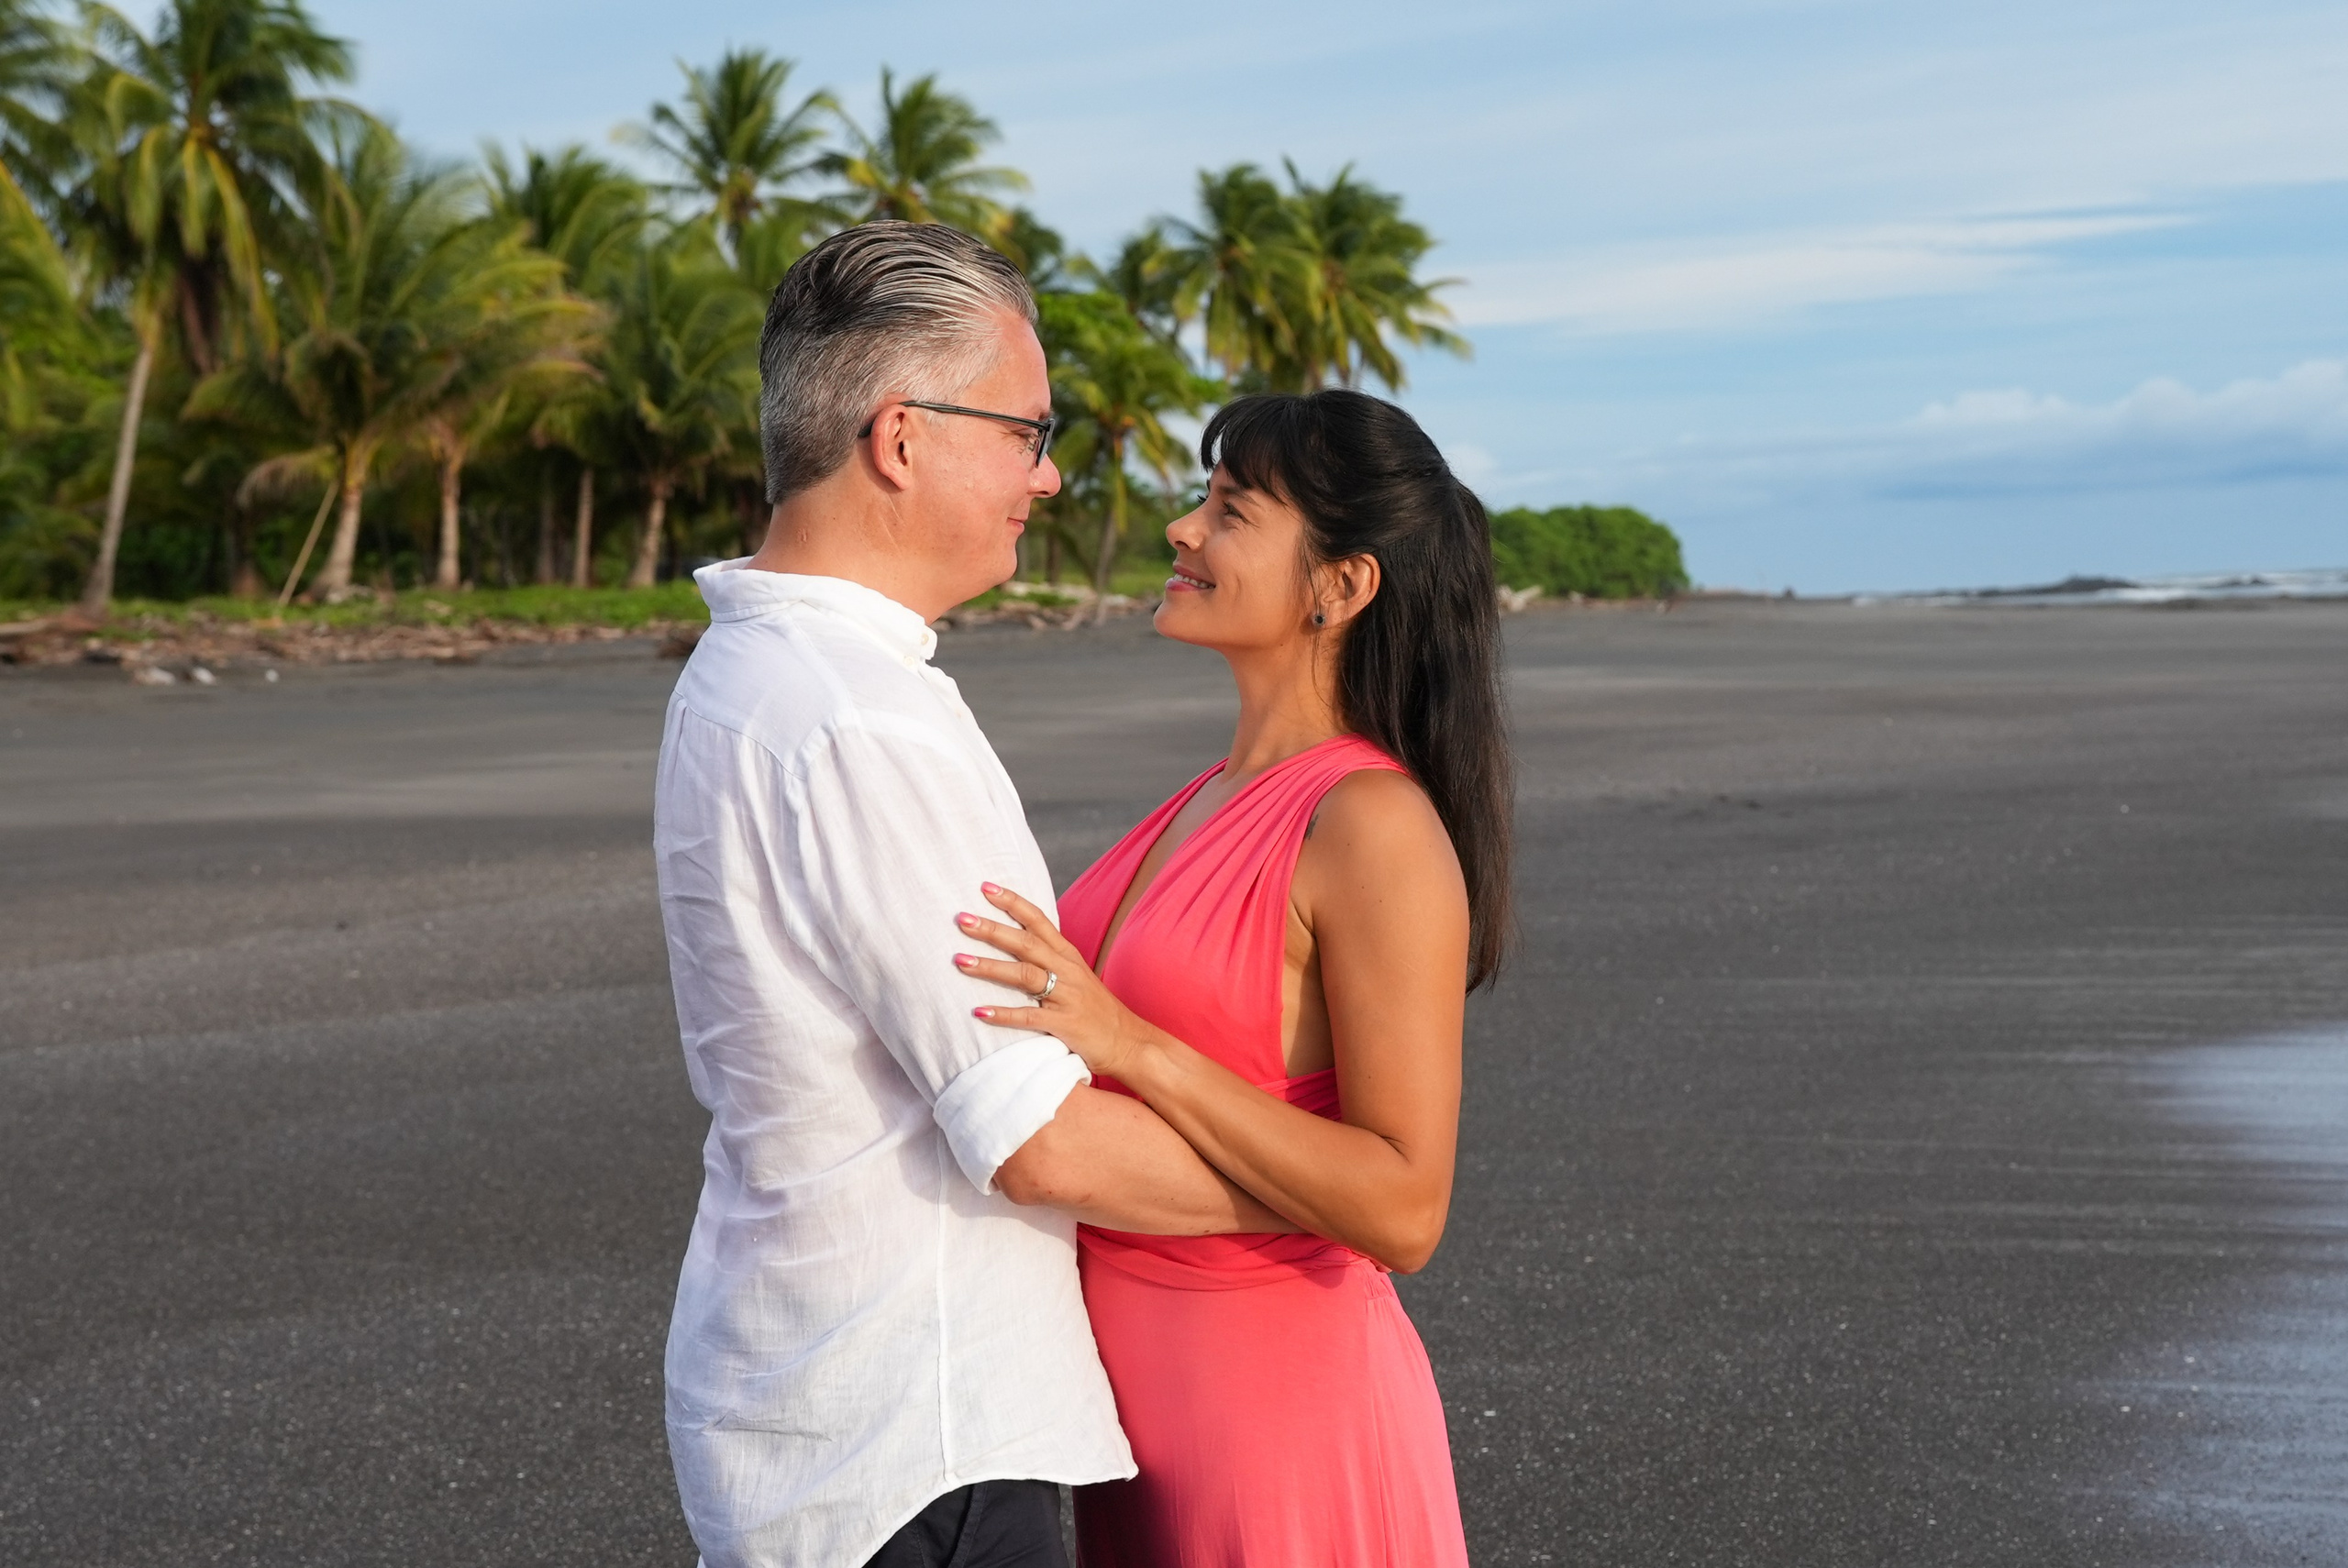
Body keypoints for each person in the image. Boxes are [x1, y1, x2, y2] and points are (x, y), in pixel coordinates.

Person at [651, 221, 1290, 1568]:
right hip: (912, 1439)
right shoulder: (856, 717)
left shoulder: (750, 671)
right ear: (901, 436)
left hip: (822, 1403)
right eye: (1027, 431)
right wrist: (1339, 1192)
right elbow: (1036, 1137)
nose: (1045, 480)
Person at [953, 389, 1512, 1566]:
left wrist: (1136, 1047)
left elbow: (1407, 1208)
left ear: (1341, 585)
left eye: (1230, 510)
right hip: (1137, 1423)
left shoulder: (1373, 826)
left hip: (1281, 1413)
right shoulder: (1205, 795)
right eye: (1202, 500)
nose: (1183, 532)